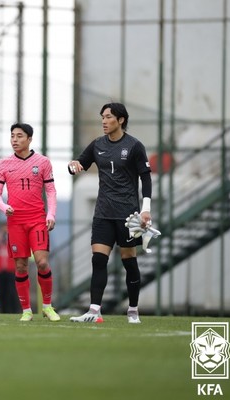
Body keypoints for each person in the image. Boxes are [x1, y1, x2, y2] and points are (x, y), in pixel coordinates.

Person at [68, 102, 152, 324]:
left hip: (127, 215)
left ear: (121, 120)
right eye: (102, 117)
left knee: (128, 260)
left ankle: (133, 310)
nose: (104, 121)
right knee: (98, 260)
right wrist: (73, 166)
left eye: (108, 117)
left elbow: (145, 177)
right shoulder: (97, 145)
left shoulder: (134, 146)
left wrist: (146, 209)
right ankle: (94, 311)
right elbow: (79, 164)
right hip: (103, 212)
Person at [0, 123, 60, 322]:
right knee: (21, 266)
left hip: (37, 220)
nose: (14, 139)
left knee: (42, 262)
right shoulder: (4, 164)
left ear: (29, 139)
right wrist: (4, 207)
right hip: (15, 222)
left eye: (19, 136)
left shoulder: (43, 162)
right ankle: (27, 311)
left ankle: (47, 306)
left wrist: (51, 214)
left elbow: (51, 191)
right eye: (12, 136)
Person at [0, 222, 20, 314]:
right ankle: (2, 311)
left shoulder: (13, 240)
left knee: (12, 292)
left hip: (11, 270)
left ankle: (14, 311)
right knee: (1, 292)